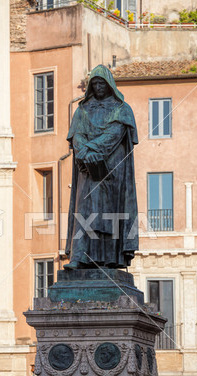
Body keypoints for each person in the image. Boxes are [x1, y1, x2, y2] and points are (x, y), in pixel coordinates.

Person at [64, 65, 139, 270]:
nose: (98, 87)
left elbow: (114, 134)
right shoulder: (82, 110)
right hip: (87, 169)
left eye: (101, 83)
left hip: (113, 170)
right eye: (94, 83)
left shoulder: (122, 109)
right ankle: (79, 257)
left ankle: (109, 259)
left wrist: (90, 148)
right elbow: (76, 135)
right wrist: (83, 152)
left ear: (109, 85)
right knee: (84, 210)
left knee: (110, 214)